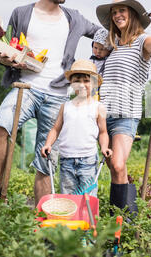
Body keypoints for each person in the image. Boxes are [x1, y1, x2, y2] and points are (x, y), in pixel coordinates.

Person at [0, 0, 101, 205]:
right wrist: (5, 59)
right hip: (25, 88)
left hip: (58, 94)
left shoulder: (74, 18)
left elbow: (102, 34)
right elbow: (2, 48)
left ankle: (43, 217)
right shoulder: (21, 13)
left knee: (45, 159)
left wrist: (131, 31)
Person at [95, 0, 151, 216]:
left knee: (118, 165)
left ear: (133, 15)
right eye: (114, 12)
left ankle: (118, 219)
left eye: (122, 11)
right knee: (115, 169)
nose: (118, 15)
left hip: (125, 115)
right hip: (102, 114)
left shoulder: (142, 41)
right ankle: (129, 216)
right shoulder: (113, 44)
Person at [41, 59, 112, 197]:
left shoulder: (98, 107)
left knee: (88, 196)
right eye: (77, 81)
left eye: (86, 81)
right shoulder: (65, 106)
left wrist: (104, 147)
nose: (82, 85)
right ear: (72, 83)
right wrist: (48, 144)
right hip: (66, 159)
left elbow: (103, 132)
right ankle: (71, 219)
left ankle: (88, 219)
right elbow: (56, 129)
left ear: (94, 84)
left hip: (88, 160)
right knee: (68, 197)